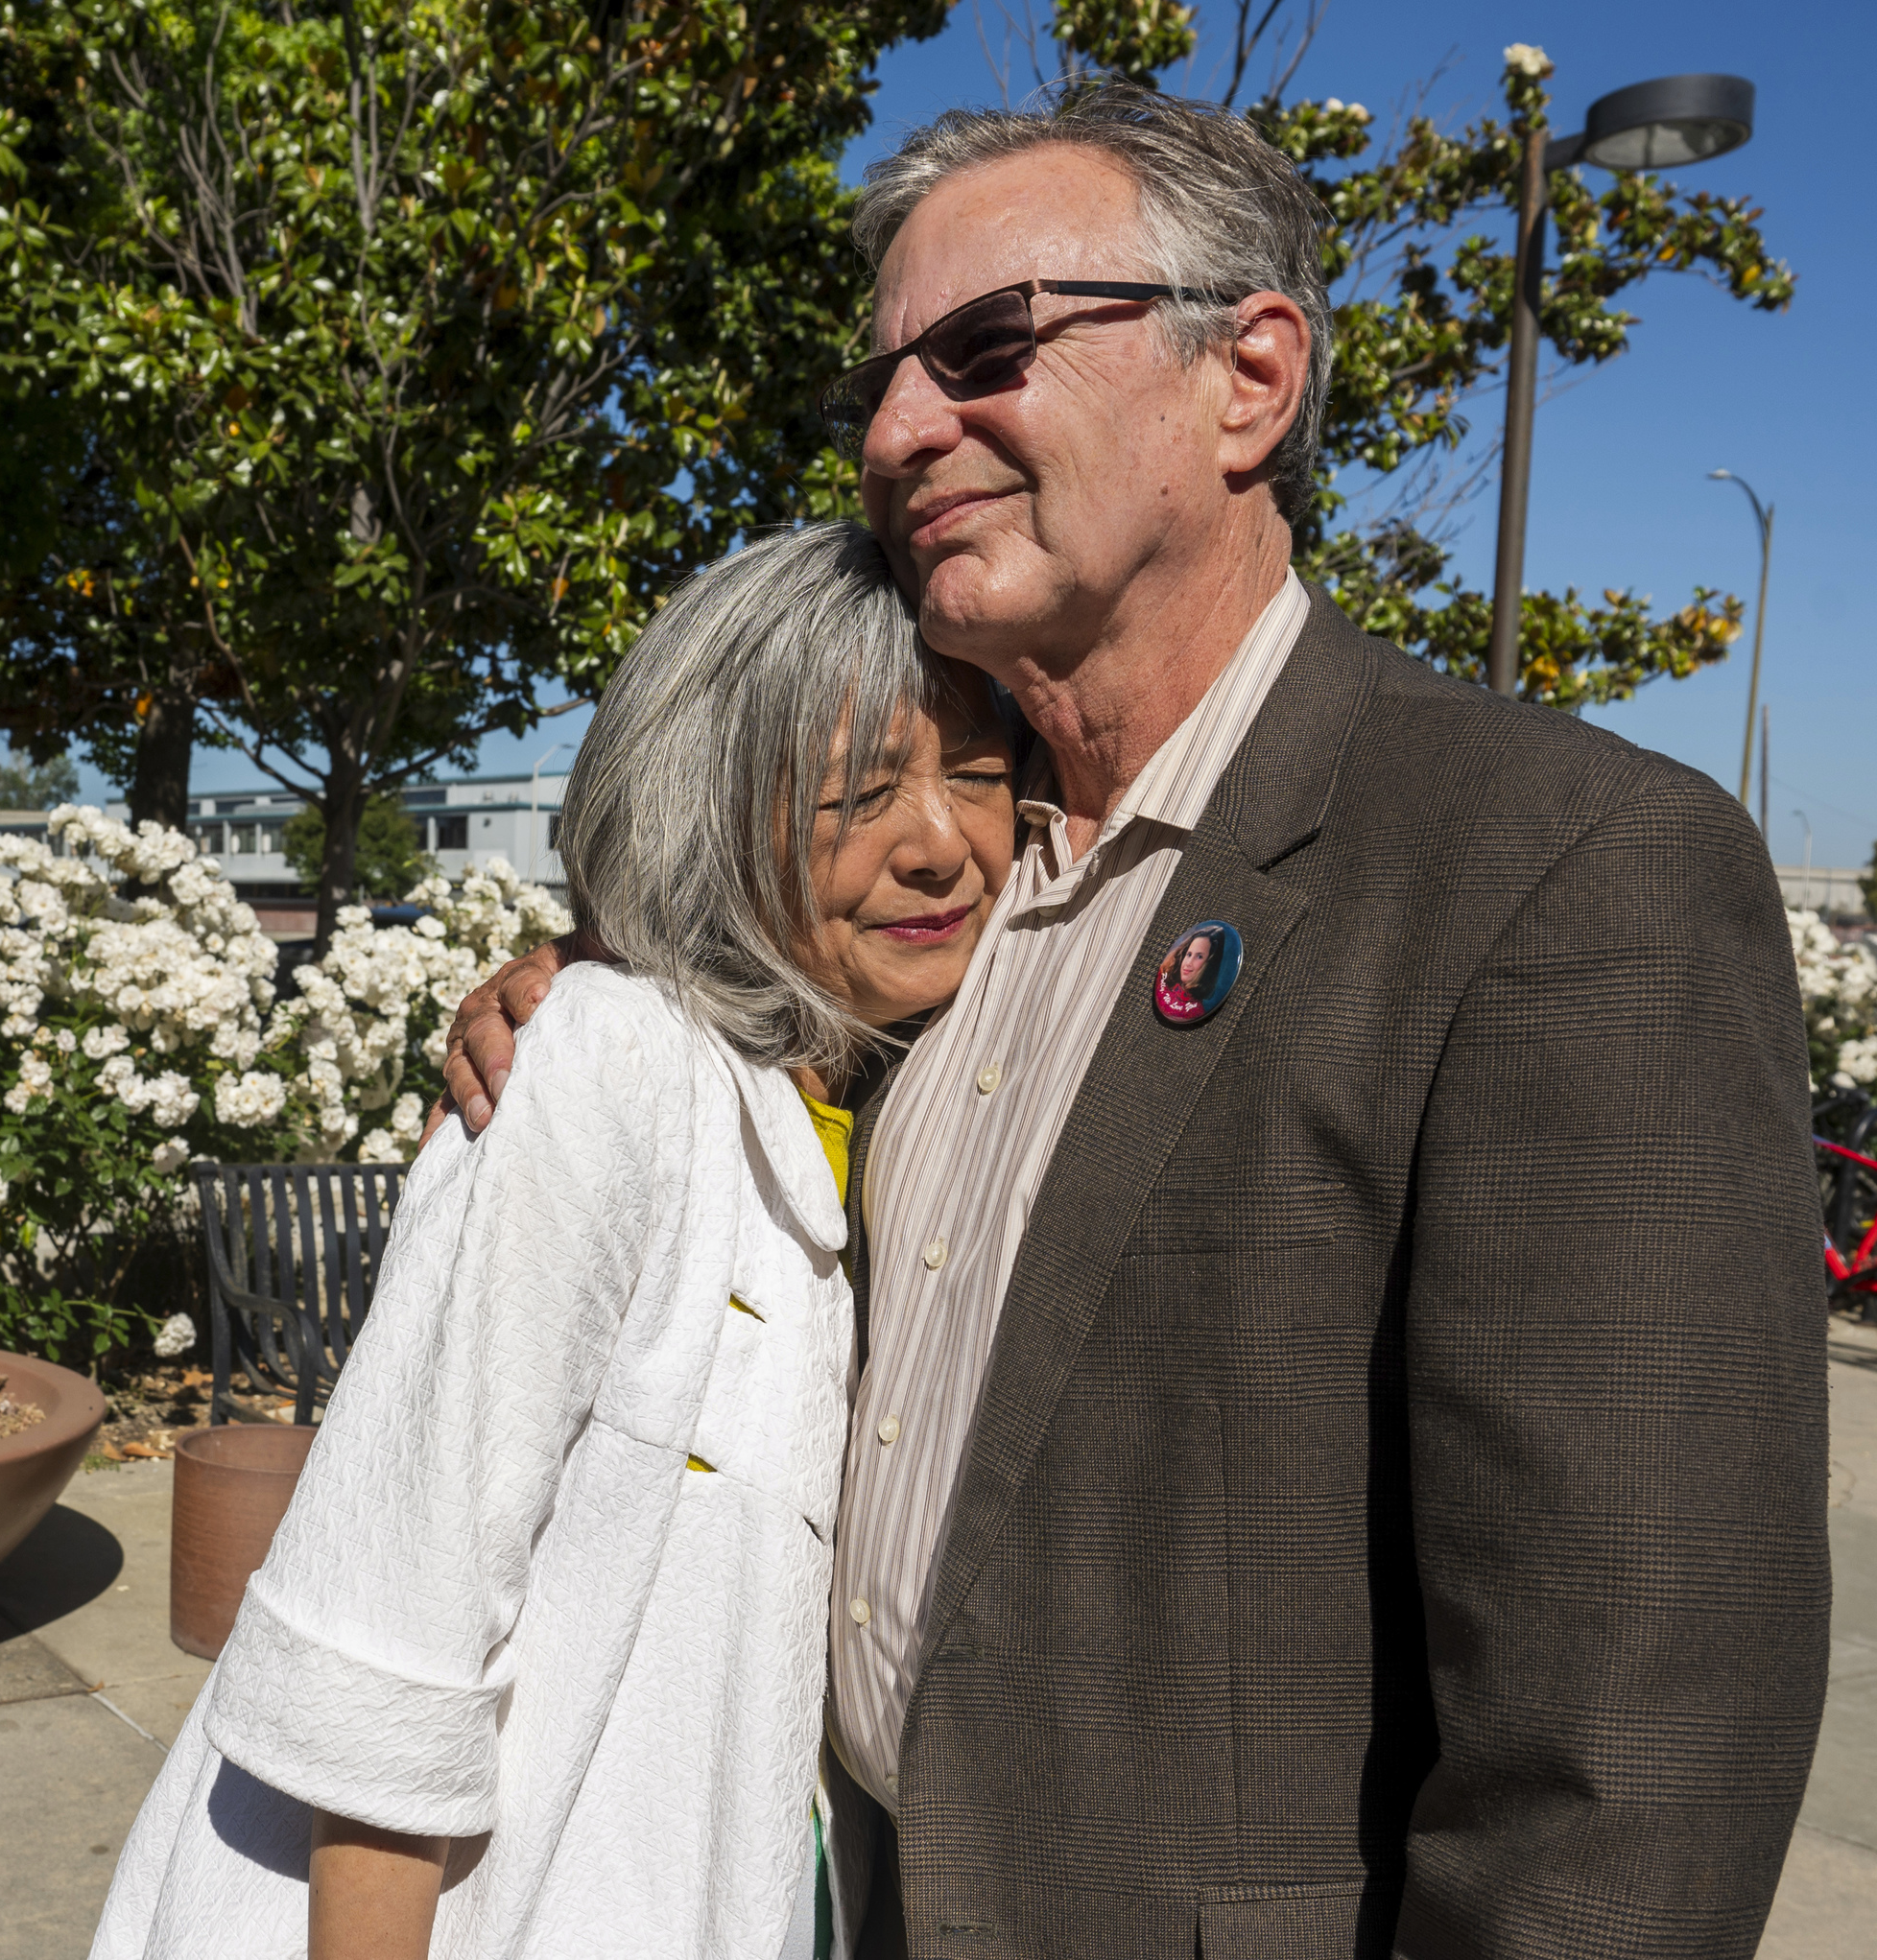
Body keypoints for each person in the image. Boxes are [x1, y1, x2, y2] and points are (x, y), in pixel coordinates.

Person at [441, 84, 1828, 1957]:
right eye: (882, 380)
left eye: (985, 347)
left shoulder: (1569, 873)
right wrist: (587, 992)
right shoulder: (945, 892)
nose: (899, 426)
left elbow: (1626, 1771)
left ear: (1248, 377)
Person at [90, 521, 1018, 1960]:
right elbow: (390, 1628)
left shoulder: (883, 1097)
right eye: (860, 788)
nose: (943, 841)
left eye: (977, 769)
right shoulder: (607, 1063)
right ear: (708, 813)